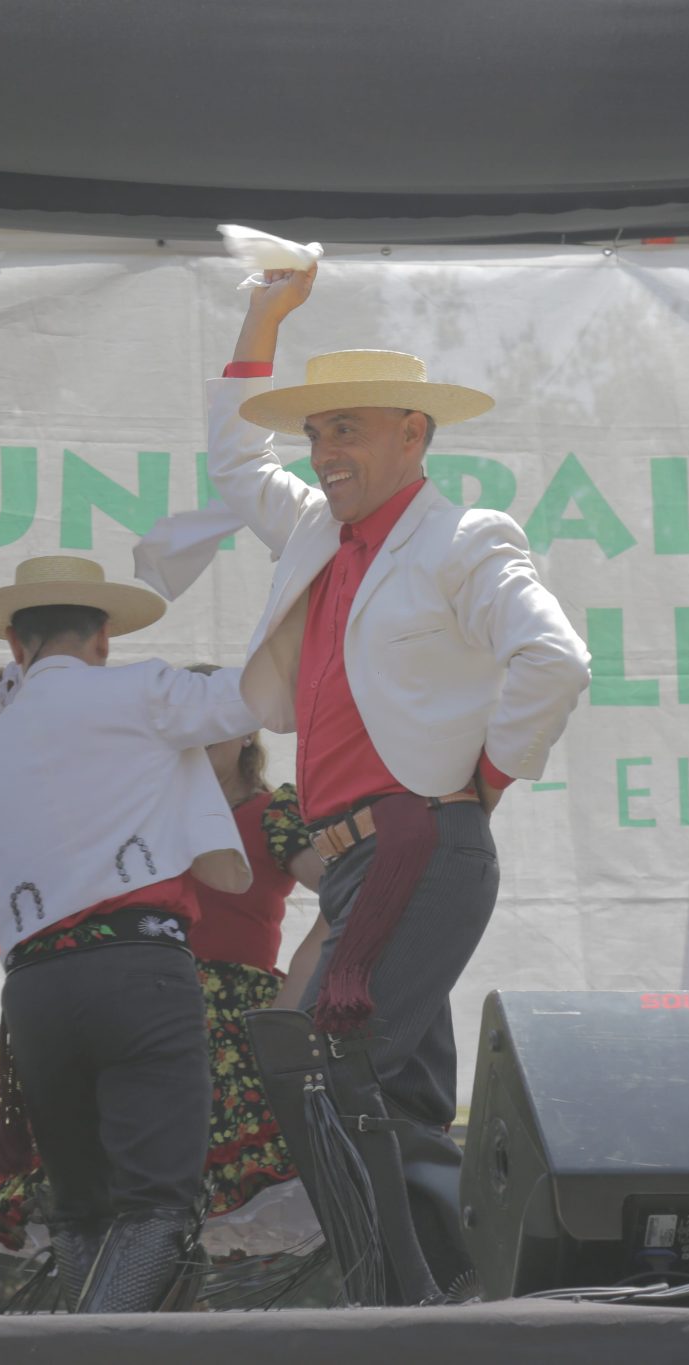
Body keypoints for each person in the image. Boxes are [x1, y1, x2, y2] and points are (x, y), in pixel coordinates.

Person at [206, 262, 591, 1302]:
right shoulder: (316, 533)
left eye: (351, 430)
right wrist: (257, 318)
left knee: (336, 1073)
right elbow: (234, 460)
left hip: (412, 847)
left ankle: (403, 1300)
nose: (326, 450)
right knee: (375, 1091)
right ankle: (447, 1293)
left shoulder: (463, 539)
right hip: (359, 860)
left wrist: (482, 781)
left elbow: (553, 659)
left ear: (414, 434)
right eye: (319, 432)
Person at [0, 556, 260, 1314]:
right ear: (104, 636)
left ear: (14, 644)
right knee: (159, 1204)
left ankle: (79, 1337)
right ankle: (88, 1350)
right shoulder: (142, 691)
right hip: (139, 966)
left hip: (37, 987)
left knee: (80, 1206)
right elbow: (252, 695)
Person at [0, 666, 324, 1275]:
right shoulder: (141, 799)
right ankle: (128, 1316)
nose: (196, 745)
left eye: (213, 731)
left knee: (173, 1198)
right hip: (134, 990)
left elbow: (344, 896)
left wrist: (293, 1000)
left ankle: (138, 1318)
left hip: (229, 1019)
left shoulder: (271, 811)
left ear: (244, 735)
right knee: (114, 1188)